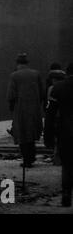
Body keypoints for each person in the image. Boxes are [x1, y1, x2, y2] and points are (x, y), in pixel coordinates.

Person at [7, 53, 44, 168]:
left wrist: (11, 106)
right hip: (34, 108)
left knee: (22, 133)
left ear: (17, 63)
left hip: (21, 108)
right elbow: (42, 92)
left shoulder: (14, 76)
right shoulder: (36, 74)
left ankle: (27, 159)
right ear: (27, 63)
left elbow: (11, 94)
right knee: (31, 133)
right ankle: (32, 156)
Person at [44, 63, 73, 207]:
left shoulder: (58, 88)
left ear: (67, 73)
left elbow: (50, 114)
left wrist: (48, 135)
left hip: (66, 131)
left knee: (67, 164)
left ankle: (67, 194)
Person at [45, 68, 66, 166]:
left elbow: (50, 104)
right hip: (64, 116)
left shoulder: (52, 88)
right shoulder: (66, 86)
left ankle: (57, 158)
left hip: (55, 116)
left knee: (56, 137)